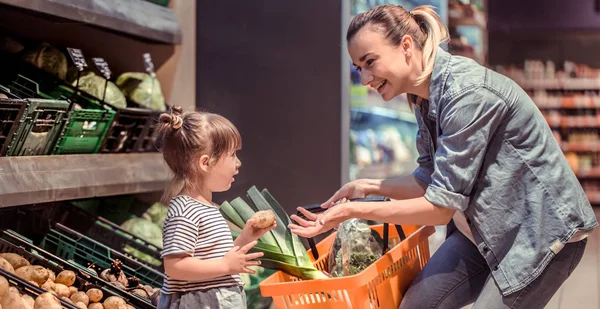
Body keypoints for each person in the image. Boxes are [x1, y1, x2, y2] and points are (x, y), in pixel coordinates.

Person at [289, 4, 598, 309]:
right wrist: (368, 186)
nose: (366, 78)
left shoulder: (466, 93)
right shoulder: (422, 98)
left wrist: (352, 211)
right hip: (482, 230)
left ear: (406, 45)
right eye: (359, 68)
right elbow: (428, 179)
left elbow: (438, 209)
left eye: (370, 62)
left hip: (538, 233)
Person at [156, 106, 275, 309]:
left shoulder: (206, 207)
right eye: (232, 155)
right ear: (205, 163)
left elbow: (214, 257)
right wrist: (225, 265)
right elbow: (174, 266)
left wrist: (245, 239)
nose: (238, 163)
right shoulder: (185, 210)